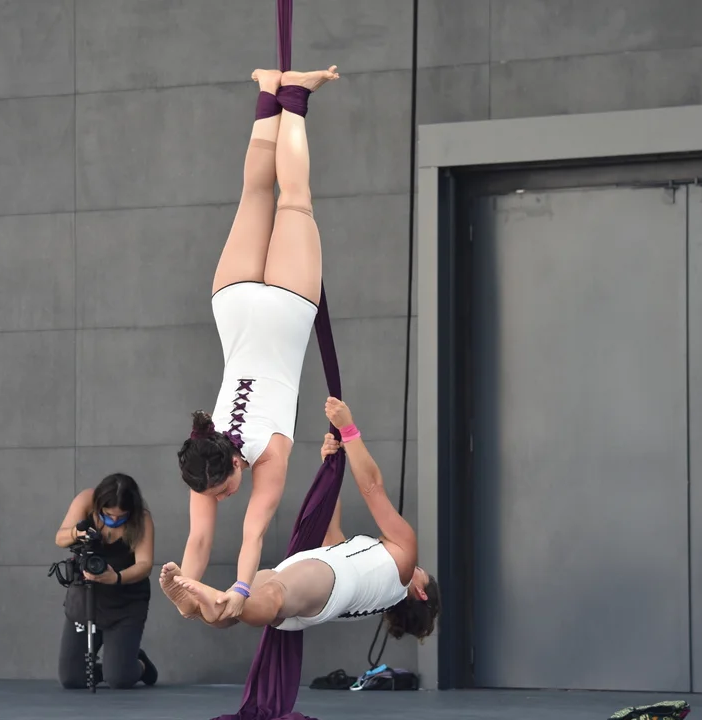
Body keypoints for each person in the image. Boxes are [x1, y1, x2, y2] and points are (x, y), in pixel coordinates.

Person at [172, 65, 341, 622]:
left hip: (286, 308)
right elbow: (199, 543)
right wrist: (187, 587)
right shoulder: (203, 457)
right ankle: (268, 89)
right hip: (234, 303)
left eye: (223, 491)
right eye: (221, 494)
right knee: (255, 193)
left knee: (294, 198)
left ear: (228, 464)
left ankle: (295, 96)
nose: (224, 497)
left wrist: (240, 593)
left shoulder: (267, 453)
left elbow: (254, 533)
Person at [163, 398, 441, 641]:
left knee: (268, 593)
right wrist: (330, 469)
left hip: (328, 579)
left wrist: (349, 430)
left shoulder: (404, 562)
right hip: (317, 588)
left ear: (421, 592)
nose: (417, 567)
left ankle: (210, 606)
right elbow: (330, 535)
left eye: (421, 571)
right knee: (246, 598)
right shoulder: (381, 596)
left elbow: (372, 488)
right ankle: (201, 608)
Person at [54, 473, 158, 689]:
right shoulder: (86, 500)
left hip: (125, 602)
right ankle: (115, 663)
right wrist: (76, 532)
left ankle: (137, 664)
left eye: (121, 516)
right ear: (99, 504)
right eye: (108, 515)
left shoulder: (141, 519)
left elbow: (144, 565)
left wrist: (115, 577)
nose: (114, 520)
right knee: (72, 678)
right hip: (85, 598)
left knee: (120, 679)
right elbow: (60, 539)